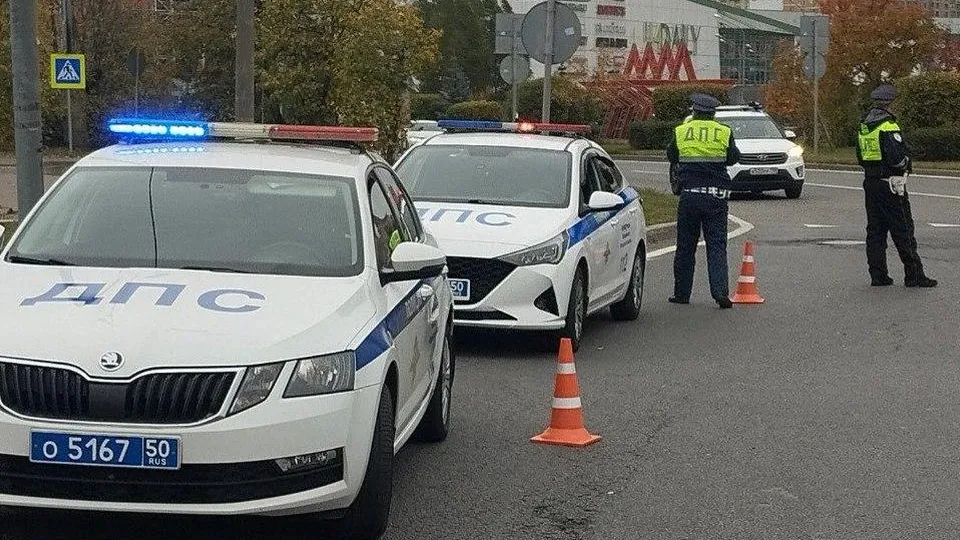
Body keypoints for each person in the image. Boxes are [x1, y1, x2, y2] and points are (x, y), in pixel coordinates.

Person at [856, 84, 937, 288]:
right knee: (903, 229)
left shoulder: (864, 126)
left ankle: (878, 275)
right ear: (890, 104)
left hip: (871, 182)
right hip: (891, 183)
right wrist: (906, 162)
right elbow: (896, 158)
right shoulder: (888, 126)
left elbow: (860, 156)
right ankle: (914, 275)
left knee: (876, 230)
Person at [666, 94, 741, 309]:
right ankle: (720, 293)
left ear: (694, 111)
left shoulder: (681, 131)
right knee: (717, 245)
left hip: (690, 196)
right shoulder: (724, 131)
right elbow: (732, 158)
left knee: (685, 247)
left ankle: (682, 293)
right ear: (713, 113)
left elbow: (672, 155)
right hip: (716, 198)